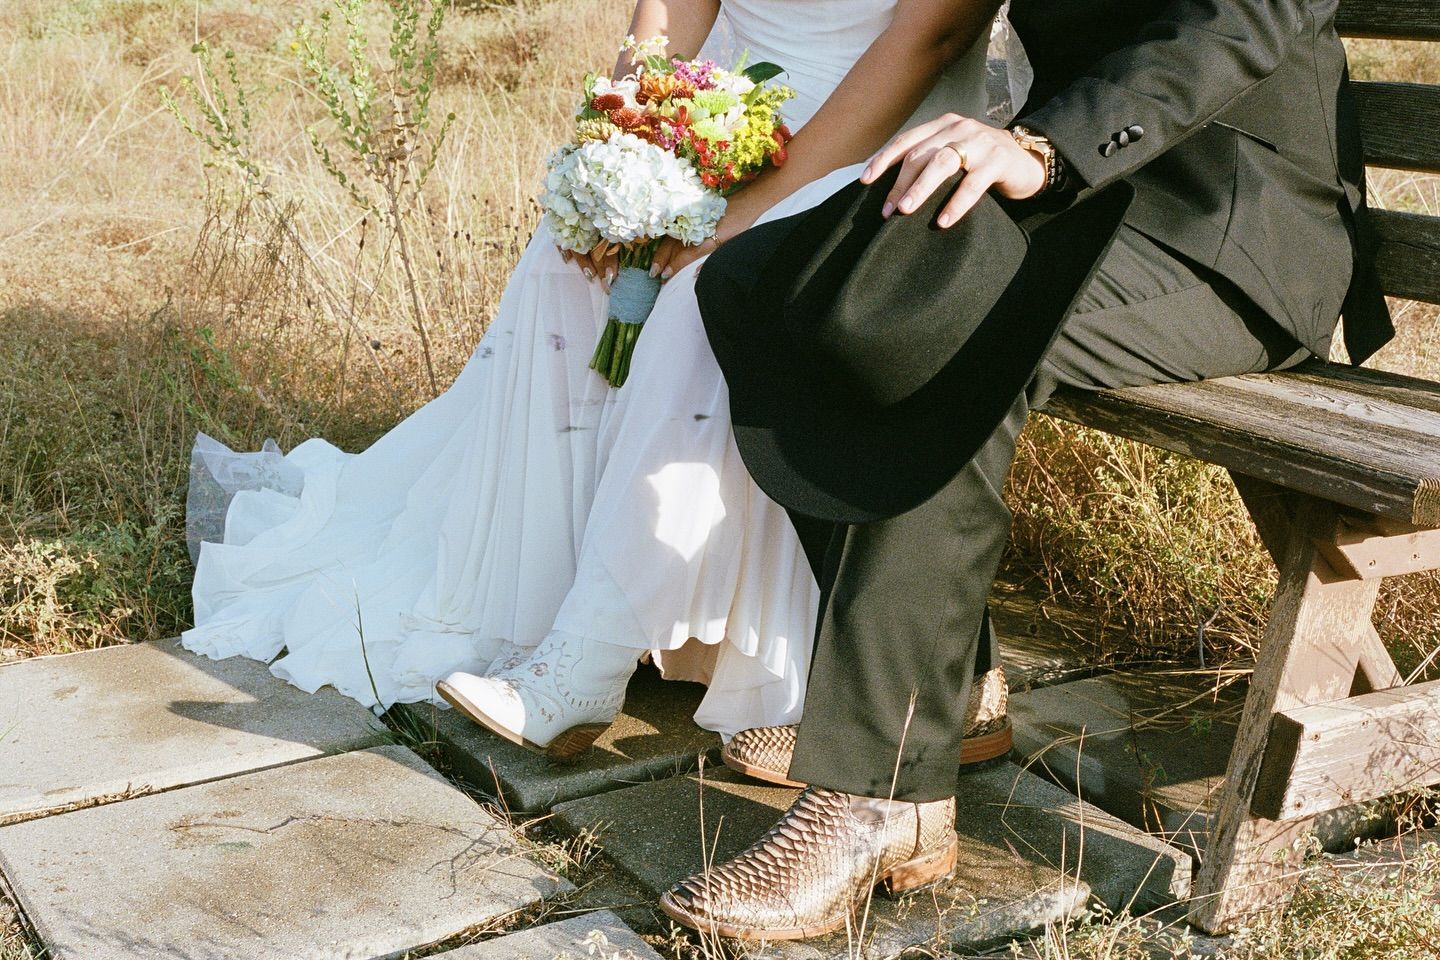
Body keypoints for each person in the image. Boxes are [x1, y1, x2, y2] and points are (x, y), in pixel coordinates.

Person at [663, 0, 1393, 940]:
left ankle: (881, 792)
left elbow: (1242, 21)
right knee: (761, 282)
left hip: (1229, 230)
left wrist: (1045, 147)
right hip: (1078, 203)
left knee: (955, 335)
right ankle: (943, 695)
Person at [183, 0, 1016, 760]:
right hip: (736, 119)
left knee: (705, 292)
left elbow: (929, 37)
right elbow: (671, 10)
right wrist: (617, 157)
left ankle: (587, 660)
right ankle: (537, 601)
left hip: (877, 152)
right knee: (569, 259)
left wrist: (740, 215)